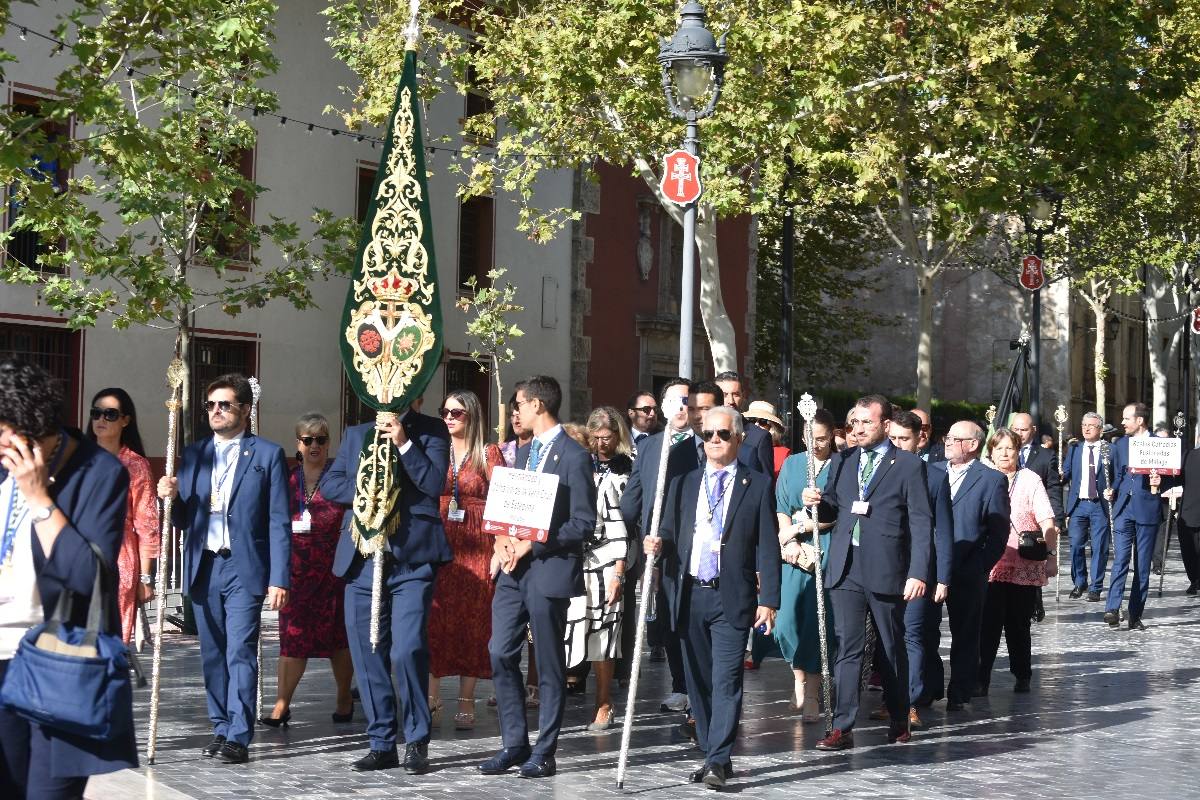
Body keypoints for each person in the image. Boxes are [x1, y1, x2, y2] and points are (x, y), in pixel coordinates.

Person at [0, 359, 137, 799]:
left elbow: (88, 574)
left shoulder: (99, 473)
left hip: (60, 659)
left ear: (29, 430)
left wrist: (39, 498)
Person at [644, 405, 780, 791]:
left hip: (731, 596)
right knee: (698, 681)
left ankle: (718, 758)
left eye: (723, 434)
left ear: (739, 438)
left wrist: (769, 599)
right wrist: (657, 544)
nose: (715, 441)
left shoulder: (756, 484)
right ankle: (711, 753)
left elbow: (767, 545)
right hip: (689, 594)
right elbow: (669, 533)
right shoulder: (684, 483)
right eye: (708, 435)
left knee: (726, 680)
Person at [158, 373, 291, 765]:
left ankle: (238, 734)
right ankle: (220, 726)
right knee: (212, 653)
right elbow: (185, 519)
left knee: (239, 651)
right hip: (204, 564)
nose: (215, 411)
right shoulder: (194, 454)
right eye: (210, 405)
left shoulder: (266, 455)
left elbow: (278, 521)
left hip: (243, 566)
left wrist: (279, 578)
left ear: (245, 409)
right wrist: (170, 498)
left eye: (224, 404)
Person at [323, 397, 450, 774]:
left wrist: (403, 443)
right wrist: (368, 489)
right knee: (368, 653)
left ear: (417, 394)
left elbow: (433, 483)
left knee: (408, 649)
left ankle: (417, 739)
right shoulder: (357, 434)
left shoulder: (431, 430)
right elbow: (331, 484)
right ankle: (381, 742)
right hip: (363, 560)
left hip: (411, 560)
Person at [480, 376, 596, 779]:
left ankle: (545, 751)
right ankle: (514, 743)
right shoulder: (524, 452)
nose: (515, 412)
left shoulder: (575, 456)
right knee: (499, 651)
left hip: (549, 569)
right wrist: (502, 540)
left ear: (538, 406)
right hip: (513, 570)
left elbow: (583, 523)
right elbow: (512, 509)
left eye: (519, 404)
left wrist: (534, 543)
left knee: (547, 663)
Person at [805, 395, 932, 751]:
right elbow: (833, 507)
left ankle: (899, 715)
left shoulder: (908, 465)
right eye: (855, 422)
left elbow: (921, 523)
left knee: (890, 646)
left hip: (887, 566)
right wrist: (815, 501)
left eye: (866, 422)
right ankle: (842, 726)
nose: (858, 429)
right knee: (848, 647)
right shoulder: (844, 460)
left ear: (886, 425)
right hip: (846, 565)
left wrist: (918, 572)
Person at [260, 414, 352, 728]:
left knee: (338, 640)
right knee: (292, 639)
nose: (315, 445)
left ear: (329, 443)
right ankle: (281, 705)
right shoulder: (286, 480)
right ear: (298, 443)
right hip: (295, 572)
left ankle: (344, 697)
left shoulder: (338, 478)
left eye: (321, 439)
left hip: (333, 571)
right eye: (308, 439)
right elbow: (272, 521)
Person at [427, 391, 505, 731]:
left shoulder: (488, 453)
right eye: (445, 411)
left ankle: (466, 699)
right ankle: (431, 696)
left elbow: (503, 501)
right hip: (439, 543)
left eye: (456, 412)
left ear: (471, 416)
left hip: (478, 545)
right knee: (434, 619)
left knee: (473, 622)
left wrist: (500, 547)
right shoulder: (436, 449)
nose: (448, 417)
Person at [618, 377, 695, 714]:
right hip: (657, 548)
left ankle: (698, 686)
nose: (681, 408)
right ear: (663, 407)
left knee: (693, 616)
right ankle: (680, 685)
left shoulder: (703, 445)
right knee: (668, 617)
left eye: (686, 401)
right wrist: (617, 528)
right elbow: (633, 497)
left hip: (694, 545)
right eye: (674, 401)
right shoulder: (650, 446)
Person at [928, 420, 1009, 710]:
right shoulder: (932, 471)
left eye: (954, 438)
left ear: (973, 444)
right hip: (930, 566)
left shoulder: (991, 480)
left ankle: (960, 691)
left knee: (965, 632)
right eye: (947, 437)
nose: (947, 442)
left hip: (968, 568)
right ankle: (928, 687)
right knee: (925, 630)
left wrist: (980, 566)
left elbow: (999, 533)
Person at [564, 406, 632, 731]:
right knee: (572, 627)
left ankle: (604, 701)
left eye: (607, 437)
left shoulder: (621, 471)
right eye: (596, 438)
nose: (601, 444)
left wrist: (619, 570)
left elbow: (623, 526)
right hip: (572, 559)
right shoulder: (572, 470)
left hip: (606, 558)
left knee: (604, 629)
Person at [978, 428, 1058, 693]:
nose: (1004, 453)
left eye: (1009, 448)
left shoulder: (1030, 479)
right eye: (999, 448)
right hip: (990, 563)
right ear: (991, 452)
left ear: (1018, 451)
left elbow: (1046, 519)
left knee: (1019, 624)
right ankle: (981, 679)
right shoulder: (982, 477)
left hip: (1023, 562)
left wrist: (1051, 556)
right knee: (987, 624)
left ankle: (1022, 674)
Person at [887, 410, 953, 727]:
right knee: (888, 635)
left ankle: (909, 702)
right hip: (884, 566)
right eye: (893, 438)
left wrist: (943, 578)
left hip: (919, 570)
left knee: (912, 634)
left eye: (904, 439)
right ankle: (892, 698)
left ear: (919, 440)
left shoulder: (935, 478)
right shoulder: (877, 472)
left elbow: (944, 531)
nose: (897, 444)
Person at [773, 408, 838, 721]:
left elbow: (836, 513)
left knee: (817, 621)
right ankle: (798, 678)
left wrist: (801, 527)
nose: (816, 444)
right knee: (786, 622)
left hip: (825, 547)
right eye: (811, 438)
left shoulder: (840, 465)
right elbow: (782, 506)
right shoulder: (793, 463)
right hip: (794, 553)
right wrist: (788, 540)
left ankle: (812, 692)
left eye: (822, 439)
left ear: (832, 436)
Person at [85, 387, 159, 644]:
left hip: (119, 557)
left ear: (126, 420)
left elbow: (147, 523)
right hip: (77, 553)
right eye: (96, 413)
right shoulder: (77, 458)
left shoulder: (135, 465)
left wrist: (145, 578)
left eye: (110, 414)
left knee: (110, 640)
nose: (101, 419)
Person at [1104, 402, 1173, 631]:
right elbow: (1117, 474)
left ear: (1140, 420)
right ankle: (1112, 608)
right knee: (1120, 560)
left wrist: (1160, 482)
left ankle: (1135, 614)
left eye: (1126, 418)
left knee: (1142, 566)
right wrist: (1112, 489)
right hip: (1123, 509)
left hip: (1147, 510)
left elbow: (1171, 477)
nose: (1122, 422)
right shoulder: (1120, 444)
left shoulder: (1160, 445)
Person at [1061, 413, 1111, 601]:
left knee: (1099, 547)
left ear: (1100, 429)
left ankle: (1095, 587)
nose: (1086, 428)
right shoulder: (1075, 449)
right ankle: (1079, 581)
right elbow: (1066, 474)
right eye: (1084, 425)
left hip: (1100, 505)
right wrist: (1060, 474)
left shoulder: (1109, 449)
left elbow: (1117, 475)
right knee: (1075, 545)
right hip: (1078, 505)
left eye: (1091, 425)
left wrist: (1113, 489)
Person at [713, 371, 773, 475]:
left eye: (736, 394)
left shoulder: (759, 437)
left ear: (743, 396)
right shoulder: (705, 433)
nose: (731, 401)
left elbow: (766, 481)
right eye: (724, 395)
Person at [745, 400, 789, 478]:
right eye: (752, 420)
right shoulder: (739, 447)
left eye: (763, 421)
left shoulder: (782, 454)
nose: (756, 424)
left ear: (772, 427)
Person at [500, 384, 532, 468]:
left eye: (519, 415)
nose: (515, 421)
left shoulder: (542, 449)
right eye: (512, 415)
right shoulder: (503, 450)